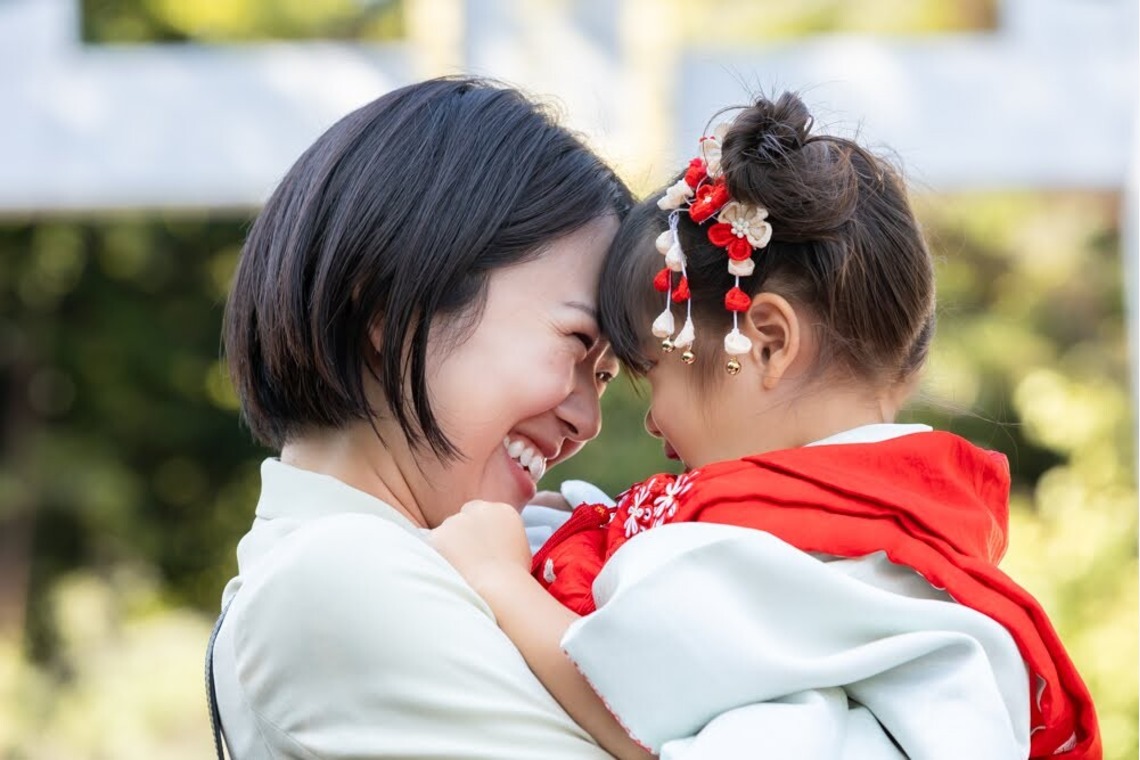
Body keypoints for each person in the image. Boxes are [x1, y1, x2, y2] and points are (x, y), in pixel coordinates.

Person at [430, 92, 1102, 759]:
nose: (651, 422)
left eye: (652, 373)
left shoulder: (791, 546)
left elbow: (638, 700)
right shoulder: (883, 524)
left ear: (769, 342)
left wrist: (502, 584)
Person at [211, 76, 634, 759]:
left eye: (607, 377)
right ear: (392, 307)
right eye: (577, 345)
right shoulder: (336, 580)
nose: (588, 419)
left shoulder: (427, 560)